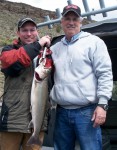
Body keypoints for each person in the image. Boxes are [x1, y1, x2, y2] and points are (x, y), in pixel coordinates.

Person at [50, 4, 113, 150]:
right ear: (62, 21)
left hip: (87, 112)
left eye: (75, 19)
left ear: (81, 21)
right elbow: (37, 66)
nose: (71, 22)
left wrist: (102, 105)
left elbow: (104, 74)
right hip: (61, 112)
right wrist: (40, 45)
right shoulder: (54, 49)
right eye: (67, 18)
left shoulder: (94, 43)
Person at [0, 17, 51, 150]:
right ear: (18, 33)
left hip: (38, 121)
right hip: (12, 120)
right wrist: (38, 44)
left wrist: (47, 52)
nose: (29, 33)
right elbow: (13, 62)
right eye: (24, 30)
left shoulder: (46, 53)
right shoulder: (8, 50)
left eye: (32, 30)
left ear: (37, 31)